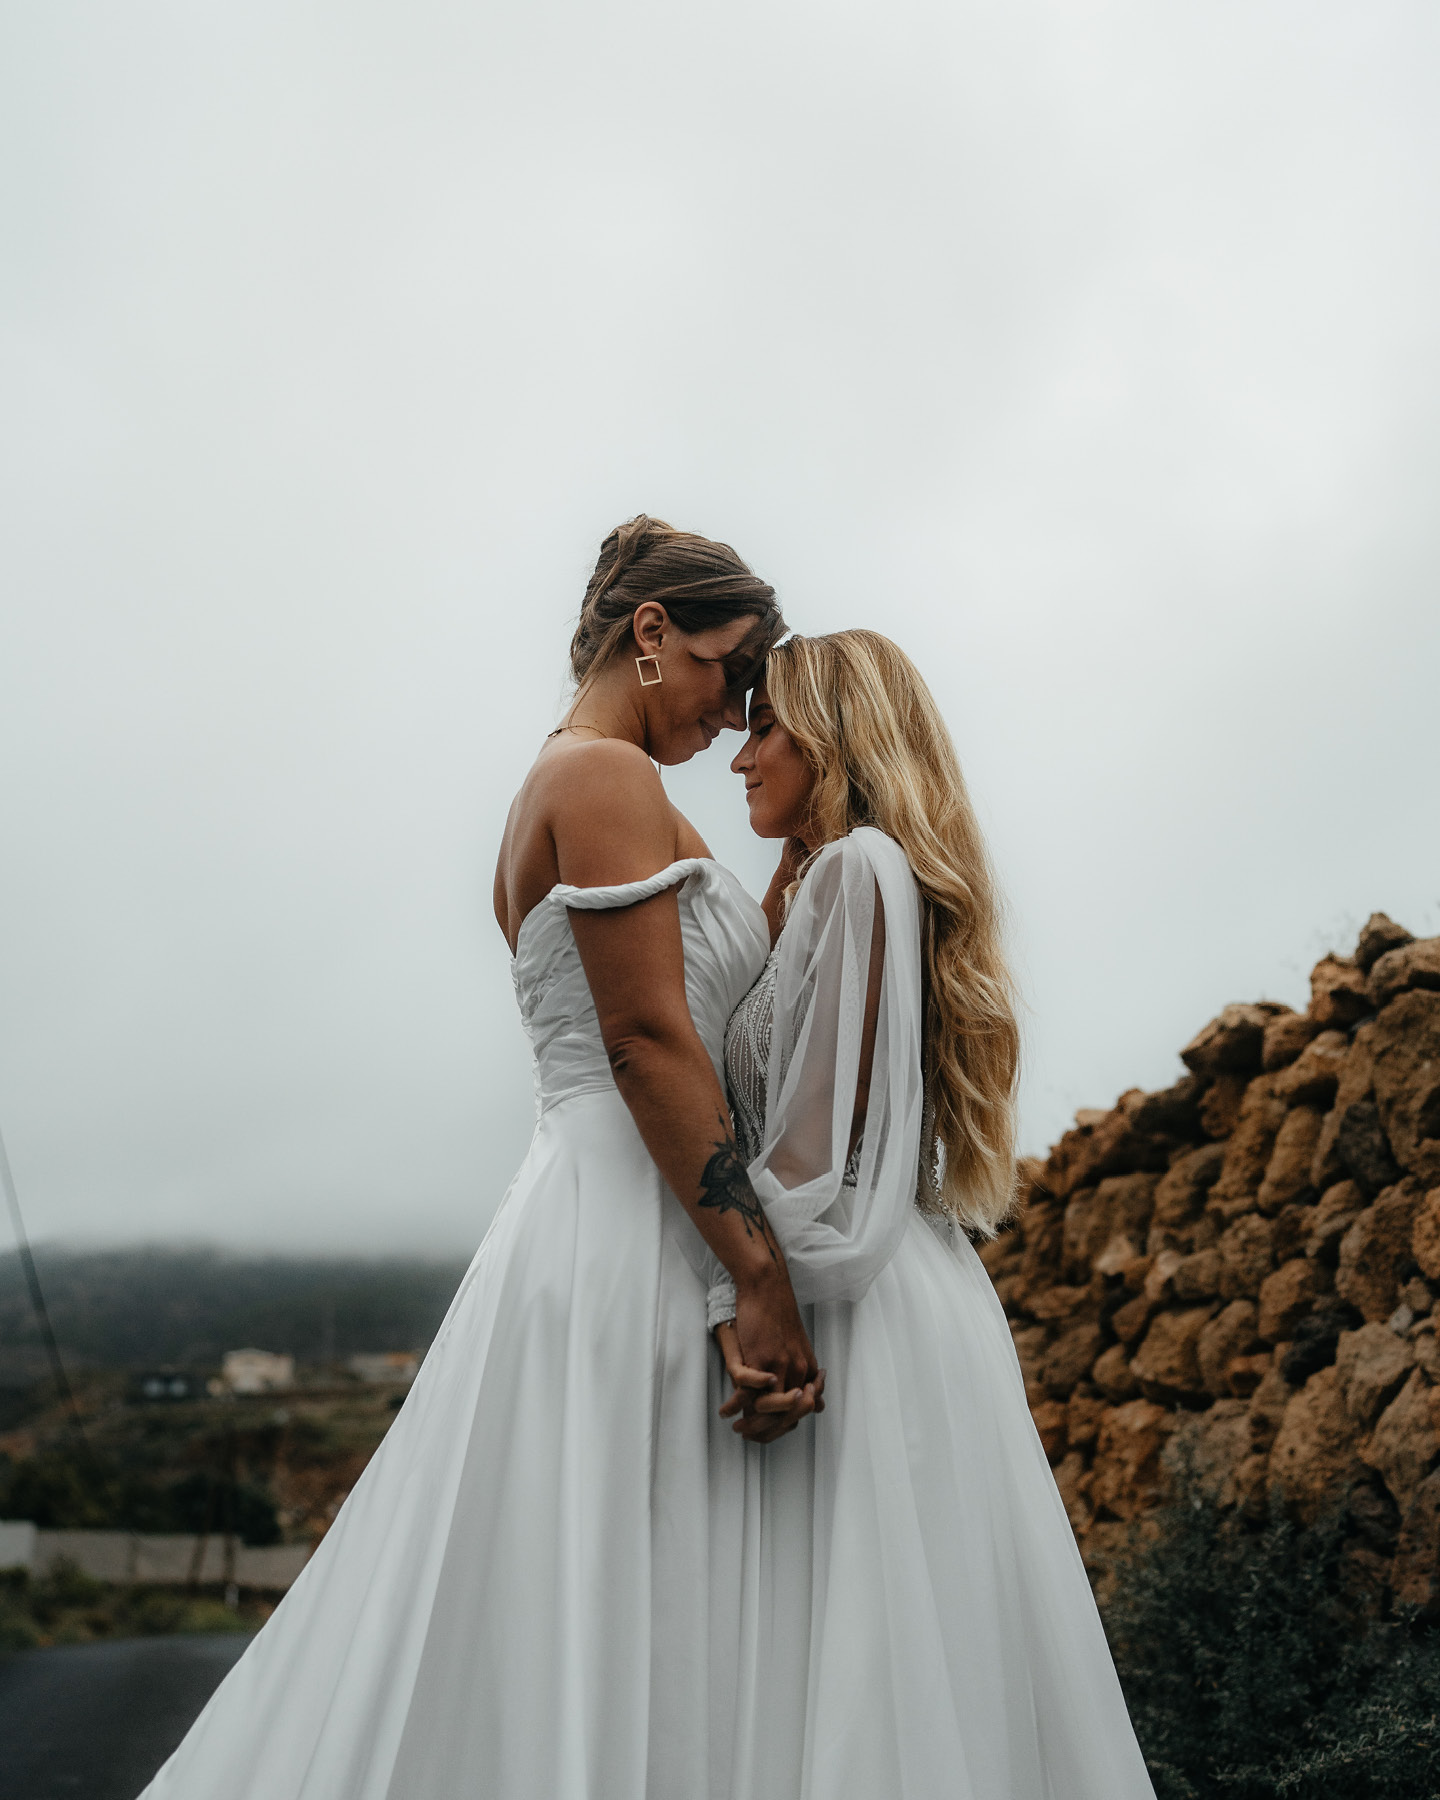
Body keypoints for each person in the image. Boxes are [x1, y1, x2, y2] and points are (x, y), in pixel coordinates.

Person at [138, 515, 822, 1799]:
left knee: (586, 1597)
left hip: (599, 1205)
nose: (738, 713)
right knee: (631, 1593)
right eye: (733, 670)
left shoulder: (573, 786)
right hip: (632, 1219)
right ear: (653, 633)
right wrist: (761, 1278)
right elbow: (645, 1043)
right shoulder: (603, 779)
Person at [699, 629, 1158, 1800]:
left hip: (849, 1293)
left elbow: (805, 1154)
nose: (738, 758)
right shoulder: (827, 878)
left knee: (866, 1674)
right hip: (896, 1284)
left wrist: (732, 1291)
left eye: (763, 727)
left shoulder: (858, 872)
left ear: (834, 733)